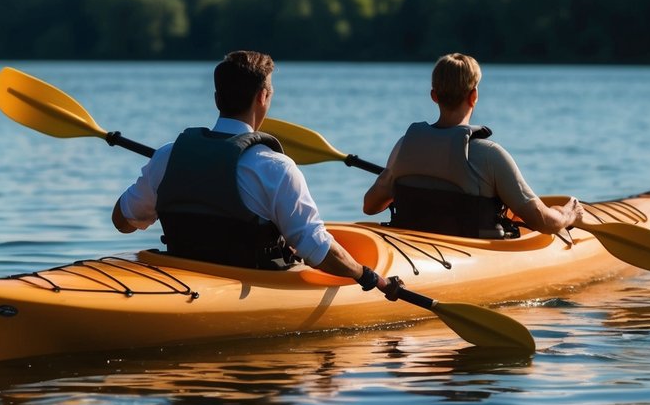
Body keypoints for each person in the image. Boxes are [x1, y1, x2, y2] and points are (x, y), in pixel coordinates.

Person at [113, 50, 388, 291]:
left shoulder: (167, 156)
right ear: (262, 97)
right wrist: (367, 276)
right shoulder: (276, 168)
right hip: (248, 288)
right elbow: (317, 250)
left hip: (182, 278)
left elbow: (122, 221)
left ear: (216, 98)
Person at [363, 53, 583, 238]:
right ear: (474, 96)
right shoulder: (490, 155)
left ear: (434, 96)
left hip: (416, 250)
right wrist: (568, 214)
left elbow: (370, 206)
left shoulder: (404, 147)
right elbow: (543, 222)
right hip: (470, 255)